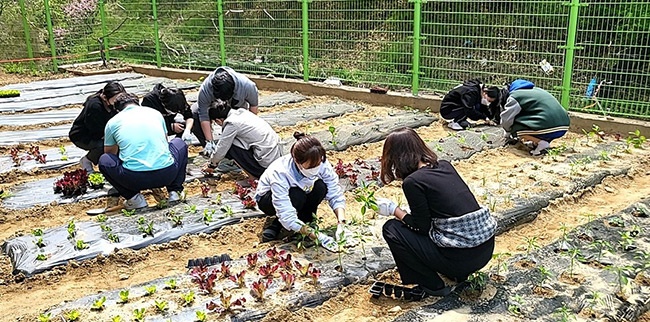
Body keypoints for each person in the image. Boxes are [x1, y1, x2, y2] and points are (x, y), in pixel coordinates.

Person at [376, 127, 496, 296]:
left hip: (462, 257)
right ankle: (457, 275)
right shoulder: (444, 166)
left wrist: (394, 210)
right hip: (484, 249)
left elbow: (421, 227)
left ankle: (432, 285)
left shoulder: (413, 182)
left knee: (392, 229)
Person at [254, 132, 347, 251]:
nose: (316, 168)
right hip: (268, 200)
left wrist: (341, 223)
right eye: (310, 167)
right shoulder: (281, 172)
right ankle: (277, 224)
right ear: (297, 162)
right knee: (296, 195)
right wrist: (318, 237)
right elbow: (285, 212)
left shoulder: (321, 162)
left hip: (303, 191)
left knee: (320, 187)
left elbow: (335, 192)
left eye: (318, 164)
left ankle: (306, 220)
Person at [98, 93, 188, 210]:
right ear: (137, 103)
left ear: (117, 109)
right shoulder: (155, 113)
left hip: (134, 179)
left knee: (104, 160)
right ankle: (175, 191)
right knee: (179, 143)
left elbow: (110, 153)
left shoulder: (113, 122)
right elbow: (165, 143)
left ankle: (135, 198)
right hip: (167, 174)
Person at [201, 100, 282, 179]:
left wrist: (211, 165)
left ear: (218, 120)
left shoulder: (232, 123)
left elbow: (221, 148)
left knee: (230, 147)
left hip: (266, 165)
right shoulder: (242, 112)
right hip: (276, 158)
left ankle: (253, 178)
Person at [194, 66, 259, 151]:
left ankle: (238, 146)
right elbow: (203, 115)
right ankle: (209, 148)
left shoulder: (247, 86)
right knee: (194, 112)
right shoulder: (205, 89)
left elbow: (253, 107)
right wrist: (209, 141)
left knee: (237, 136)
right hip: (215, 108)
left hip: (238, 111)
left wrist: (249, 130)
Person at [500, 79, 570, 156]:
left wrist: (507, 132)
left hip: (549, 126)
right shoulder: (538, 90)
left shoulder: (515, 96)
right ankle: (538, 142)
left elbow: (506, 118)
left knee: (515, 126)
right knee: (529, 119)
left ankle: (542, 144)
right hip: (564, 126)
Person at [69, 81, 125, 173]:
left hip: (101, 132)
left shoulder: (113, 104)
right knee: (104, 145)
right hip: (83, 136)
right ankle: (87, 160)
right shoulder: (95, 106)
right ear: (105, 97)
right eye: (116, 100)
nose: (119, 102)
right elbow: (96, 132)